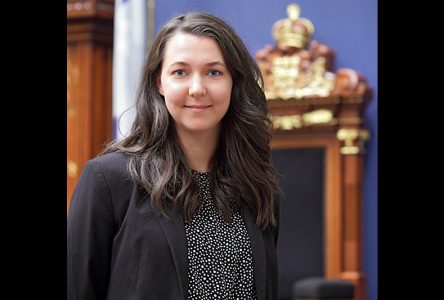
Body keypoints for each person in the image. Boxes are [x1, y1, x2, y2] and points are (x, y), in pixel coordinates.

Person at [67, 11, 281, 300]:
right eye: (180, 72)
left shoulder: (256, 183)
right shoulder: (108, 180)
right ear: (159, 82)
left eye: (214, 72)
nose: (197, 89)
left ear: (234, 81)